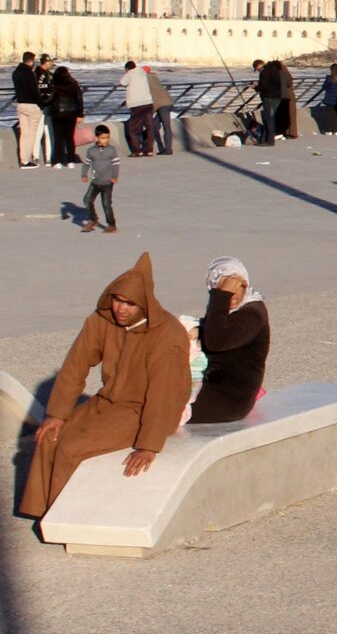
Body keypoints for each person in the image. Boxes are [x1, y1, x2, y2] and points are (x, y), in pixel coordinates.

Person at [17, 253, 191, 520]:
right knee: (49, 436)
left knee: (71, 447)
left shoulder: (168, 335)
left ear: (144, 305)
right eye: (117, 300)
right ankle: (42, 510)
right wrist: (57, 414)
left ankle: (66, 518)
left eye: (130, 304)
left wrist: (149, 444)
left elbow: (165, 394)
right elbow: (76, 365)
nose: (121, 309)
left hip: (140, 410)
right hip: (106, 402)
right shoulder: (102, 321)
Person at [191, 258, 270, 425]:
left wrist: (220, 295)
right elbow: (216, 328)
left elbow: (216, 341)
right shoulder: (230, 309)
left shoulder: (252, 313)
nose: (231, 296)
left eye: (236, 288)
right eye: (222, 288)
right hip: (212, 385)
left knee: (164, 406)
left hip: (230, 399)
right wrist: (198, 328)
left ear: (246, 286)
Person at [77, 124, 121, 233]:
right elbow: (86, 163)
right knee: (87, 200)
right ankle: (93, 219)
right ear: (97, 138)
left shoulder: (112, 150)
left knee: (106, 203)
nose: (106, 140)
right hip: (95, 182)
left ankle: (111, 224)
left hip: (107, 182)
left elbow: (116, 164)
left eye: (107, 138)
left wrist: (114, 176)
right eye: (103, 138)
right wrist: (84, 174)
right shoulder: (91, 151)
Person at [49, 65, 85, 171]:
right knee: (70, 138)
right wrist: (80, 114)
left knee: (58, 138)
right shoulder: (74, 84)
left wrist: (43, 103)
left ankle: (58, 161)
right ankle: (70, 161)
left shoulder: (54, 84)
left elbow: (49, 98)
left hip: (58, 114)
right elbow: (79, 99)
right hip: (71, 114)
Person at [12, 51, 39, 167]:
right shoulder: (29, 73)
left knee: (24, 134)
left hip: (20, 104)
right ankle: (27, 160)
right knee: (31, 134)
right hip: (31, 105)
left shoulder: (16, 72)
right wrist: (41, 104)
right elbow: (34, 91)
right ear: (31, 61)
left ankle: (23, 160)